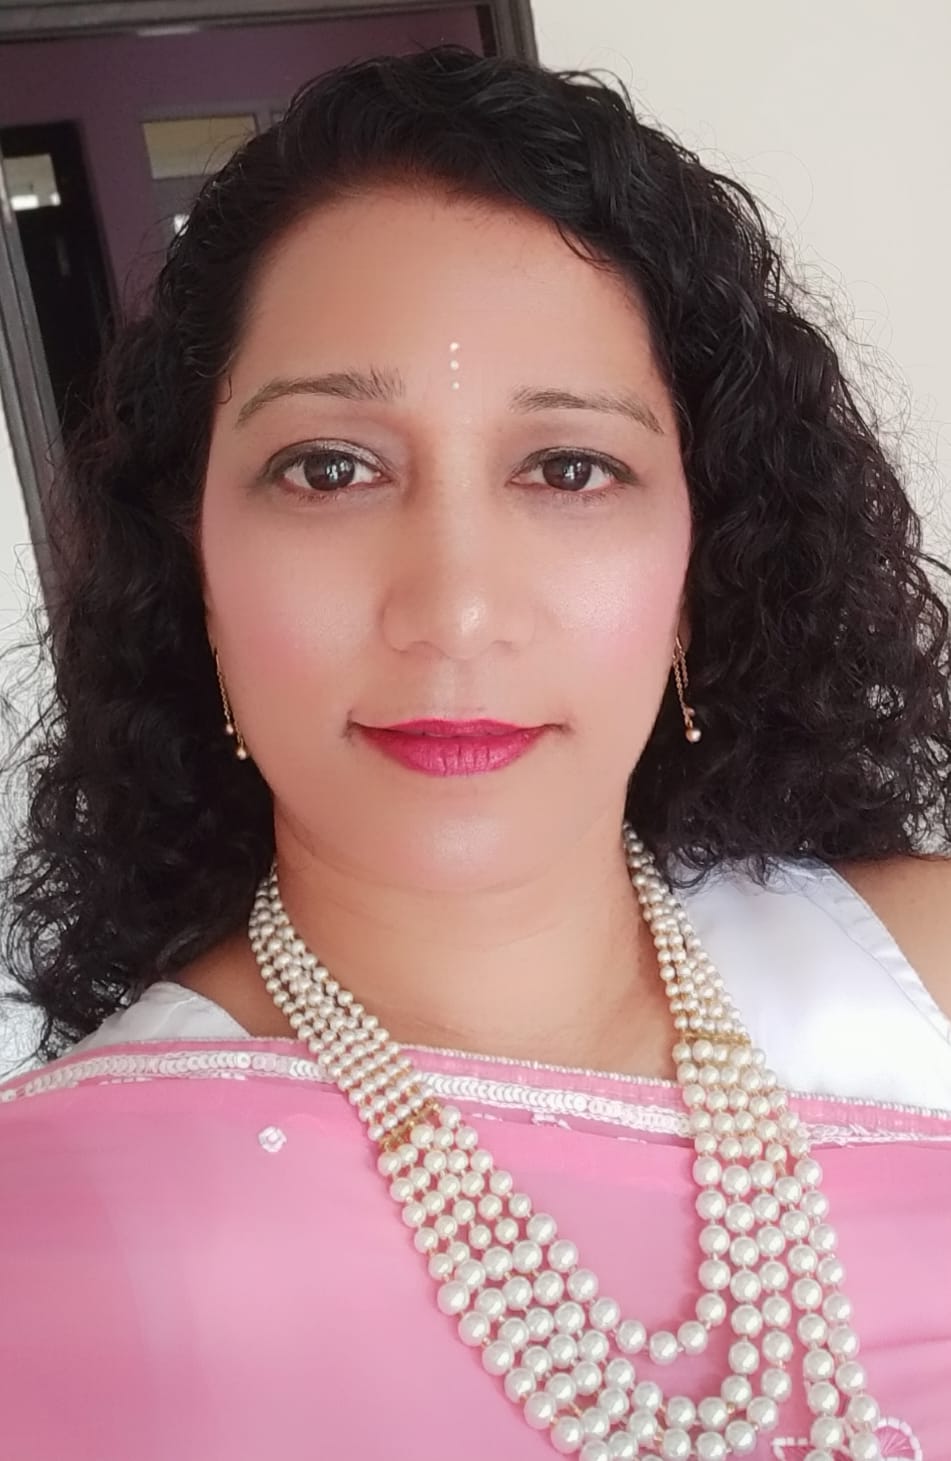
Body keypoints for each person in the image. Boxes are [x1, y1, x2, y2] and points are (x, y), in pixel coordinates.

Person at [0, 42, 949, 1461]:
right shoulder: (56, 1235)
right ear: (194, 568)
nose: (453, 609)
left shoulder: (922, 980)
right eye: (330, 467)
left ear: (699, 573)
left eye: (570, 467)